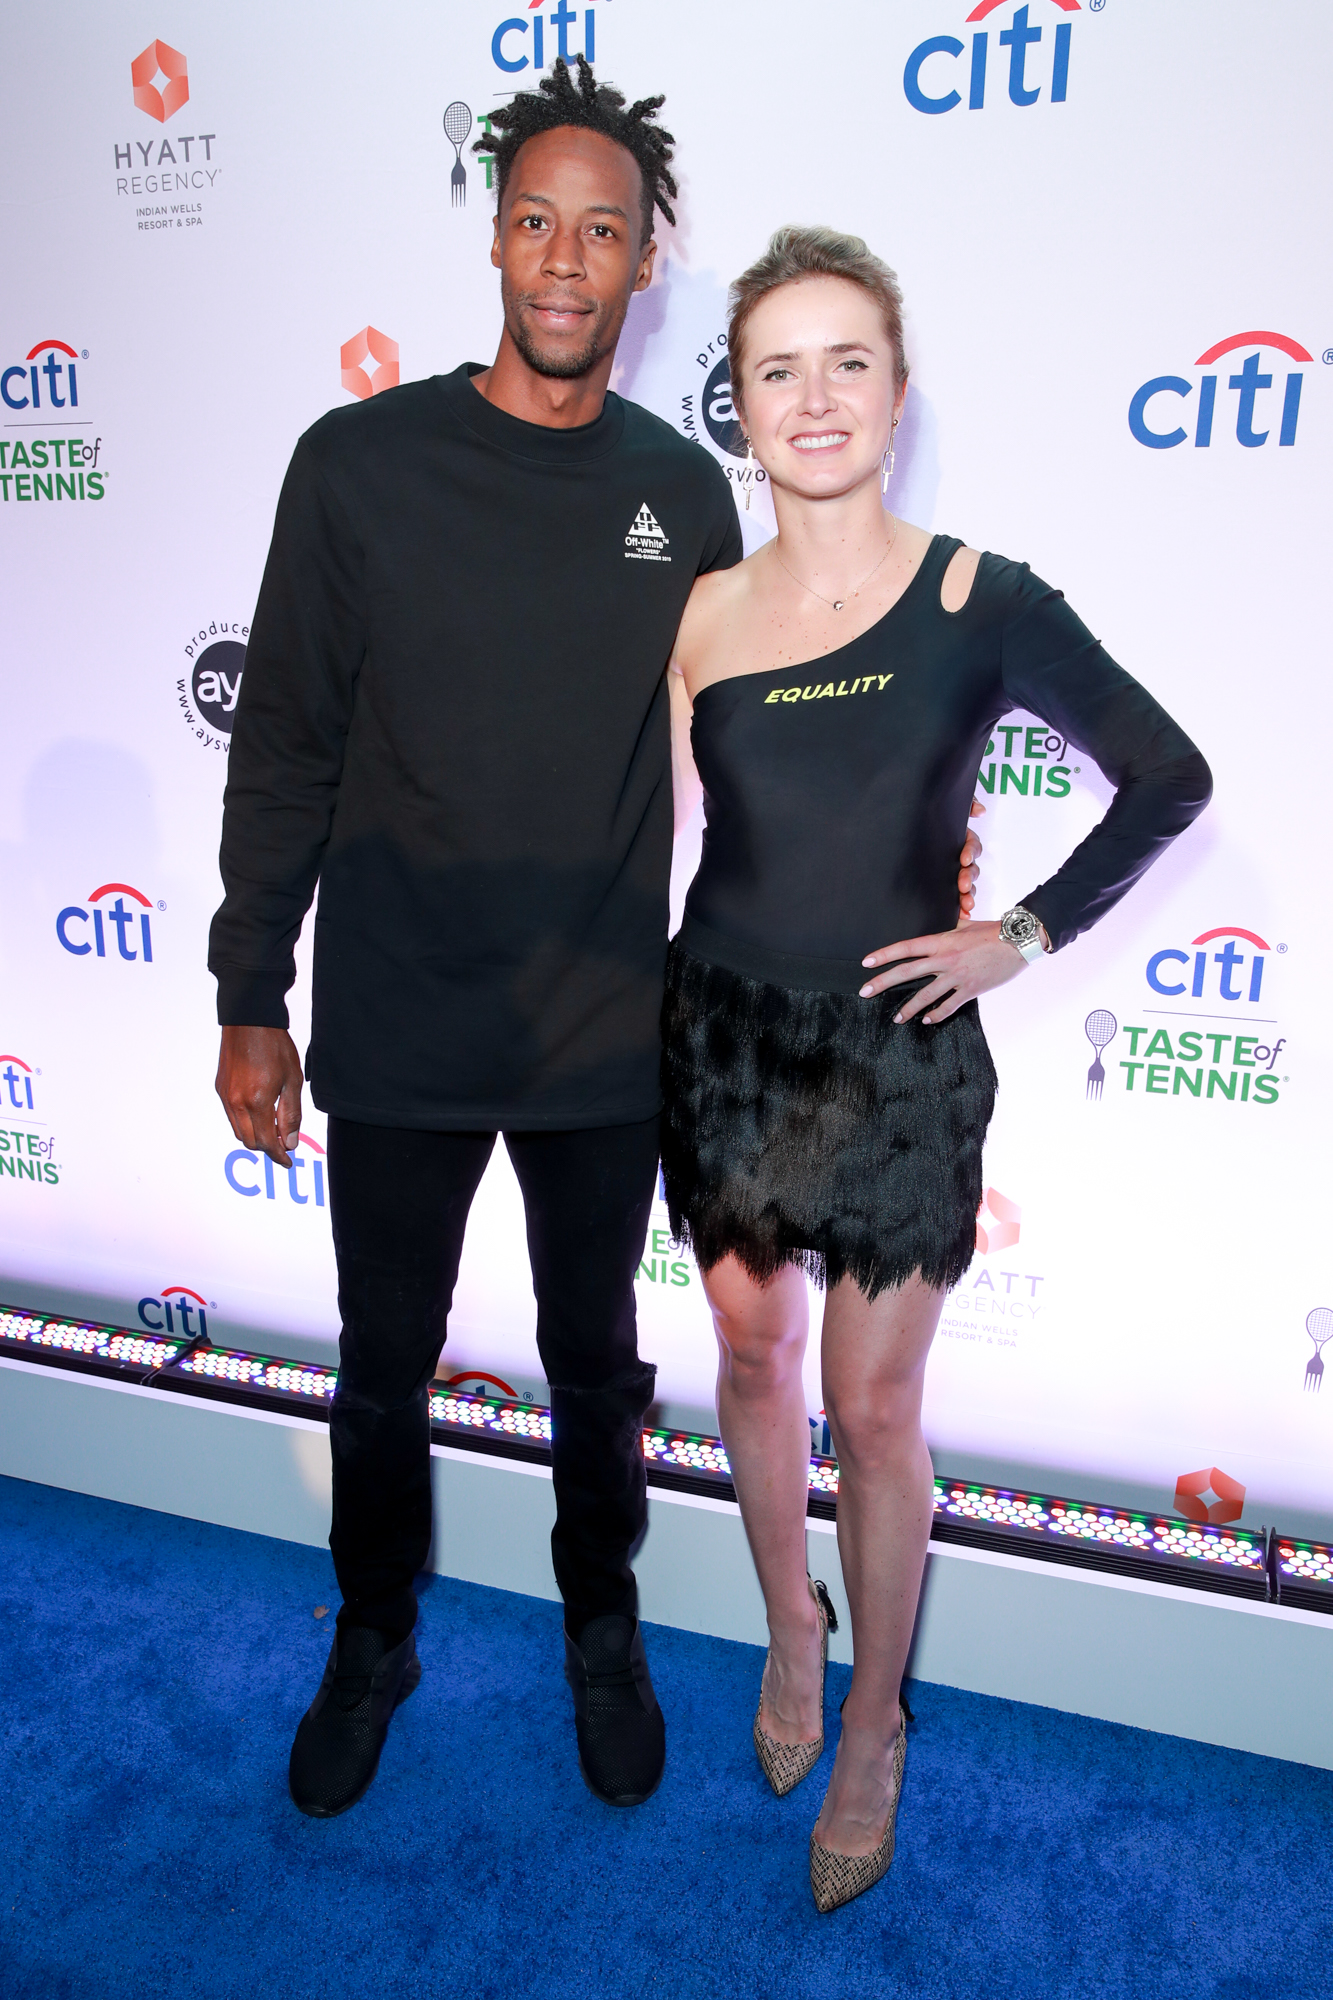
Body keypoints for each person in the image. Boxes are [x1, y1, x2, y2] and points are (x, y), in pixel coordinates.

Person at [210, 60, 981, 1821]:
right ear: (496, 236)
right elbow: (286, 750)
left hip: (600, 1028)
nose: (566, 259)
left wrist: (917, 830)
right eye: (538, 221)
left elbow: (780, 709)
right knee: (380, 1361)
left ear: (648, 264)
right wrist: (250, 995)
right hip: (397, 1015)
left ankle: (601, 1627)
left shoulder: (681, 496)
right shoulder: (356, 465)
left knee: (595, 1368)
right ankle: (374, 1635)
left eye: (605, 231)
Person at [661, 226, 1212, 1911]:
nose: (812, 398)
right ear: (735, 406)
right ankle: (788, 1635)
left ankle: (879, 1721)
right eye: (776, 369)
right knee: (751, 1369)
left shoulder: (984, 598)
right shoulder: (687, 614)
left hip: (898, 1056)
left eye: (847, 363)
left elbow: (1165, 775)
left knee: (873, 1403)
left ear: (896, 396)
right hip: (726, 1040)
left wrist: (1018, 934)